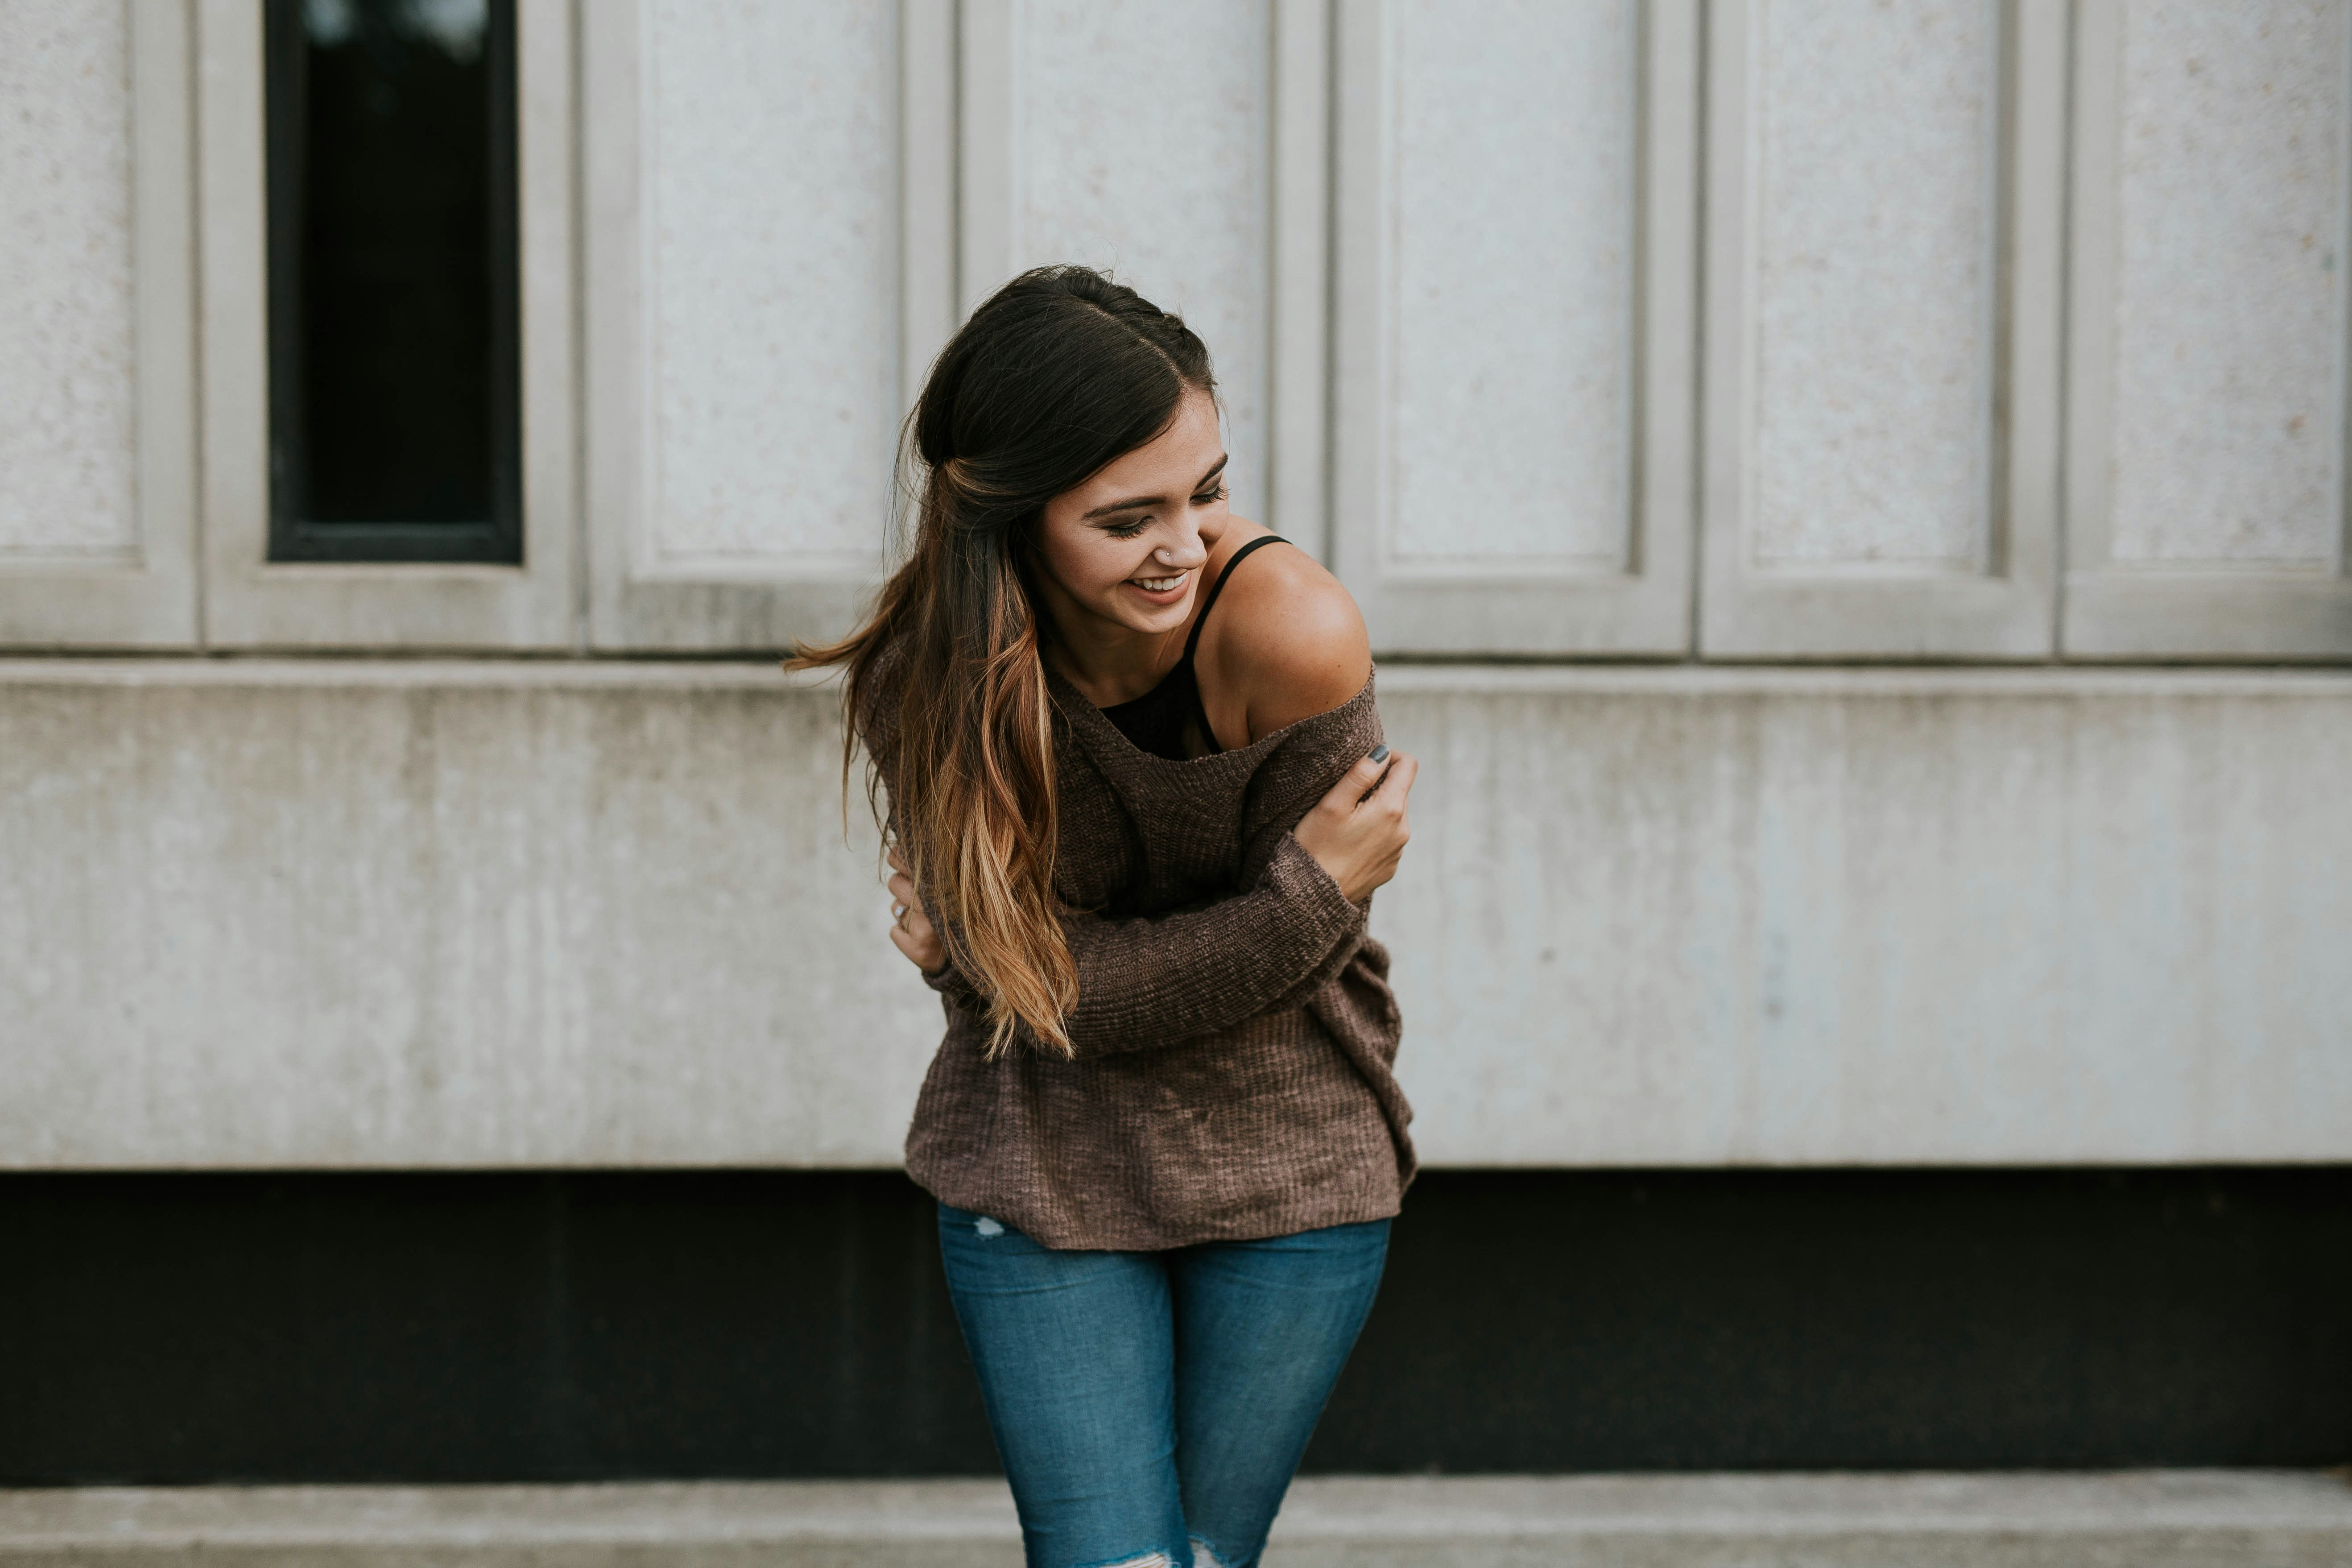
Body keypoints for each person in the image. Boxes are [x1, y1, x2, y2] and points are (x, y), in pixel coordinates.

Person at [791, 266, 1418, 1568]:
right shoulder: (931, 677)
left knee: (1194, 1561)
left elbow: (1048, 974)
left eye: (1207, 489)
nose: (1184, 544)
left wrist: (1006, 963)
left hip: (1289, 1162)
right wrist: (1299, 897)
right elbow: (1039, 988)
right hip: (1038, 1157)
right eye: (1127, 517)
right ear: (1005, 517)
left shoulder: (1290, 630)